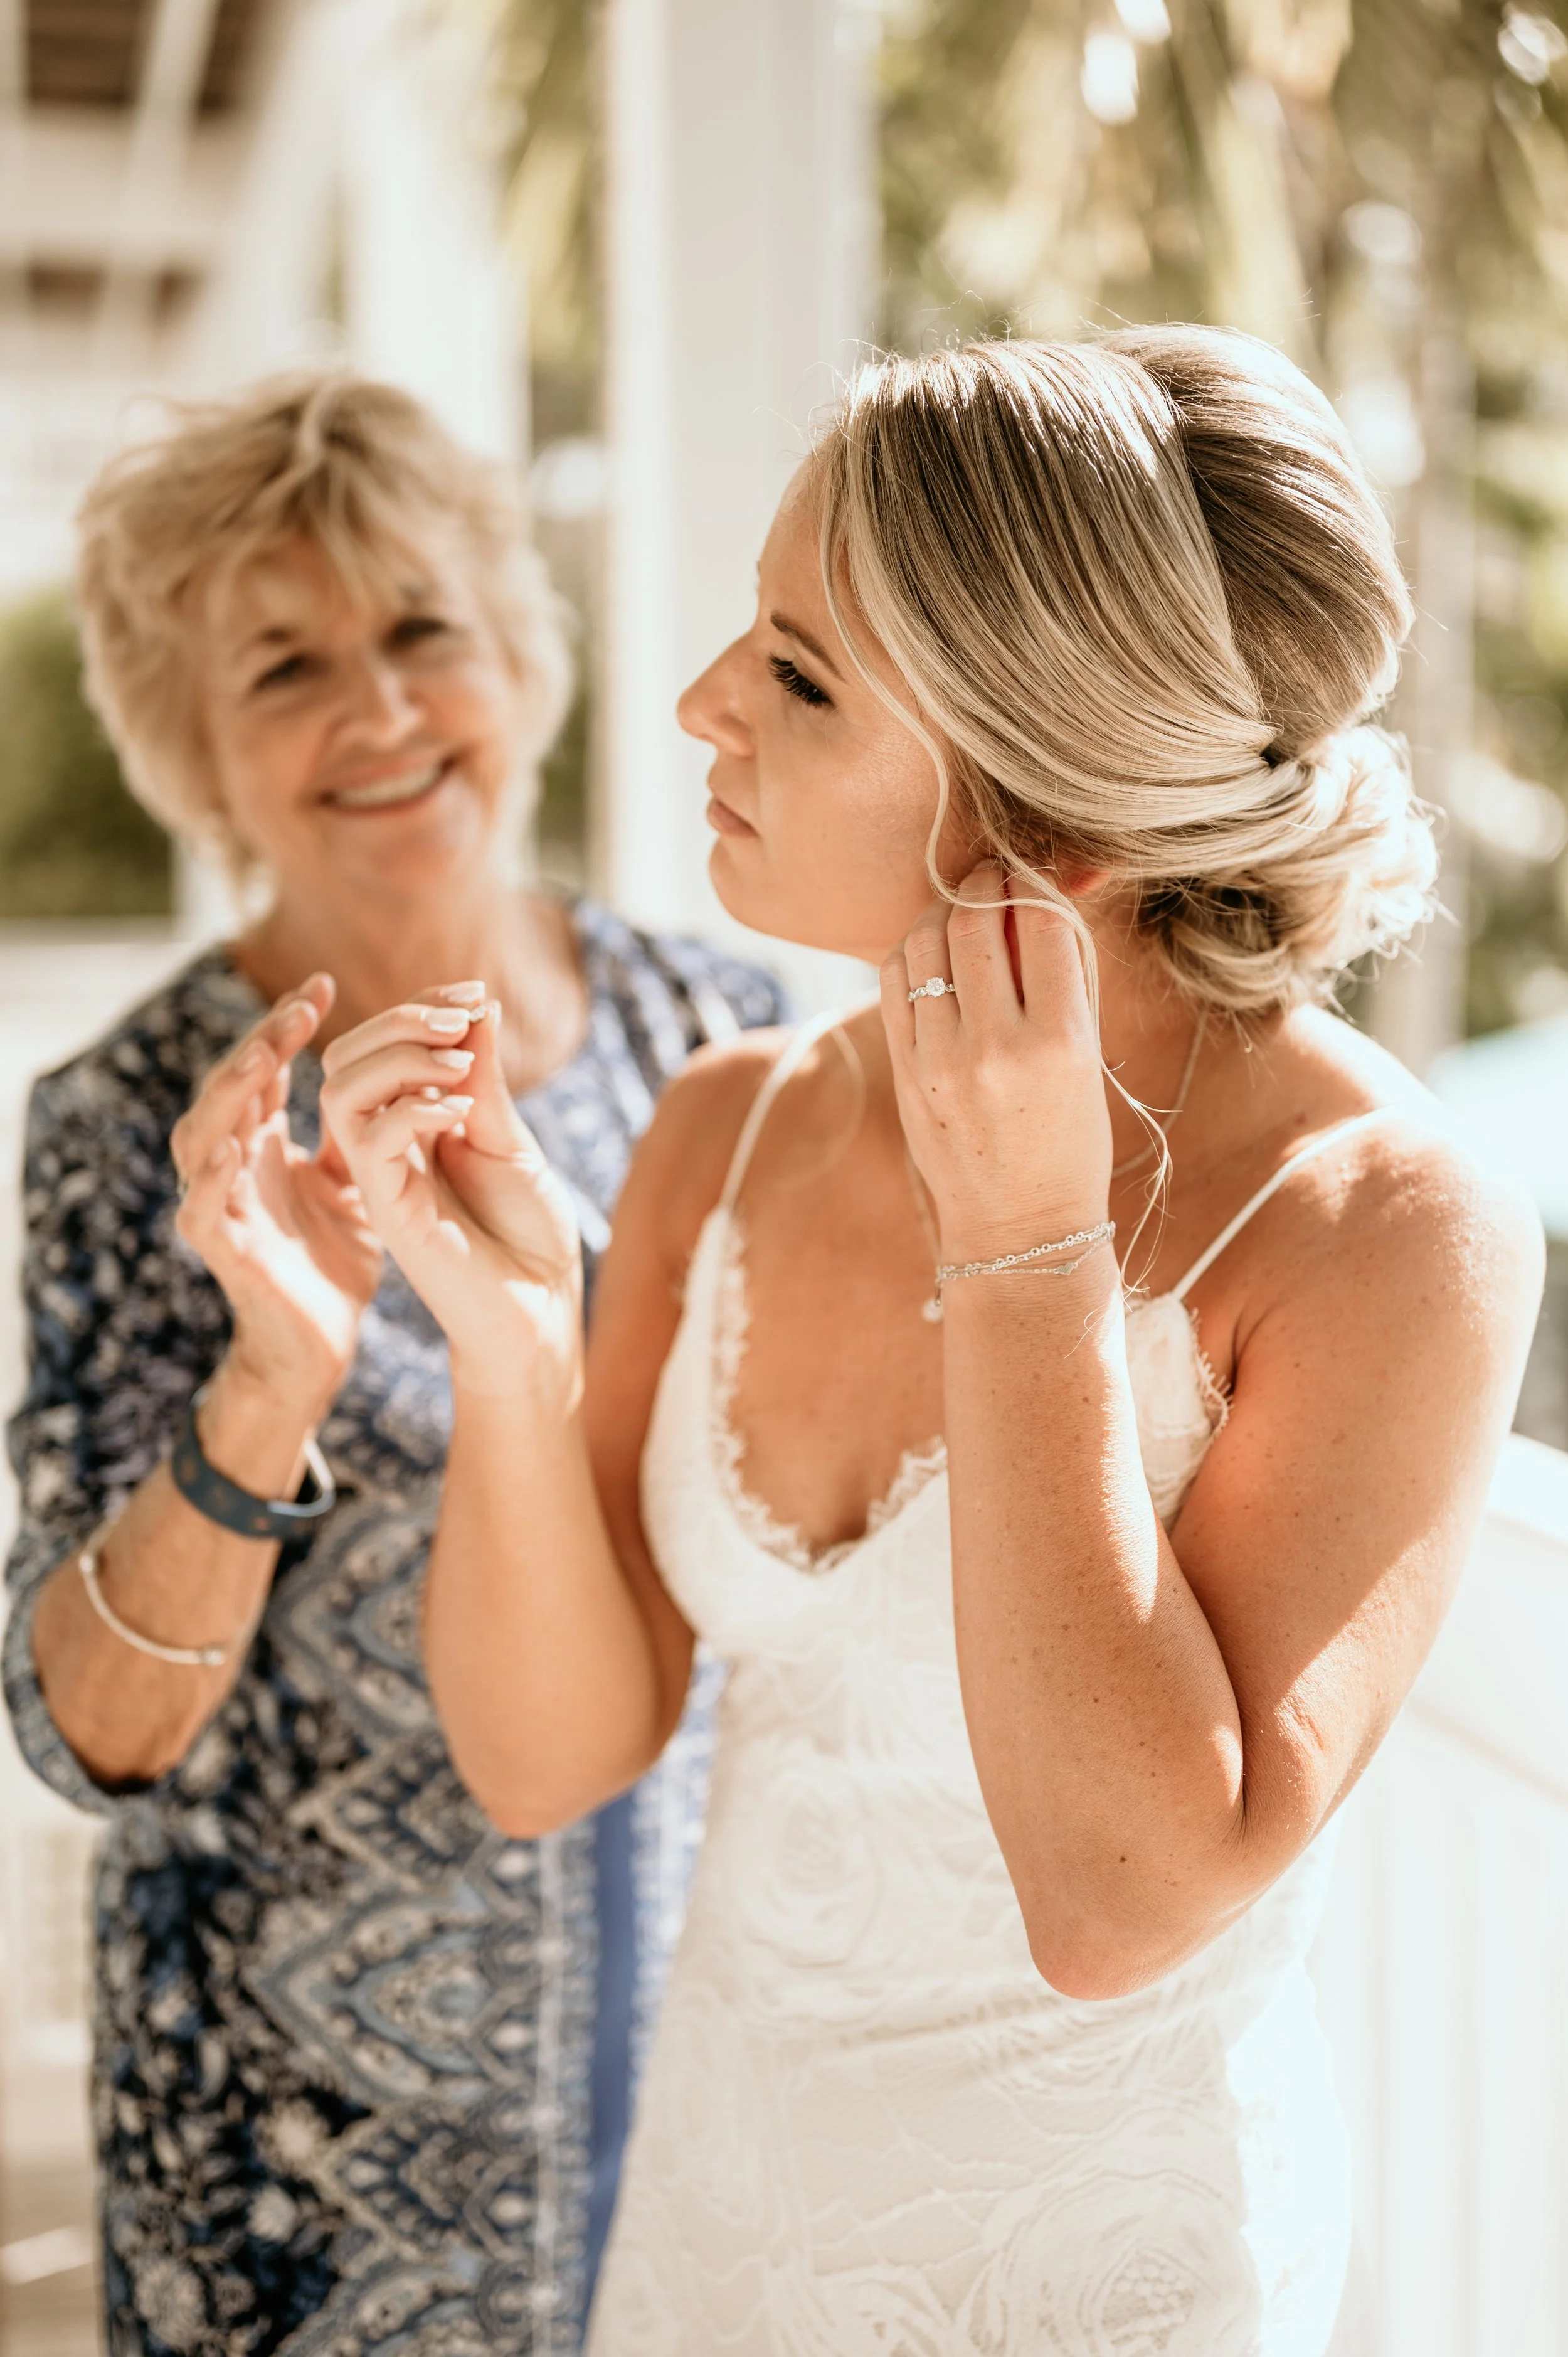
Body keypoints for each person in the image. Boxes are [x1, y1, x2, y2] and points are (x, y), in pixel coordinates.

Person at [315, 331, 1542, 2354]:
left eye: (798, 677)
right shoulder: (726, 1123)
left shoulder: (1390, 1226)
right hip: (716, 2238)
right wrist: (514, 1355)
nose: (706, 694)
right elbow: (544, 1761)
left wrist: (1031, 1242)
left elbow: (1116, 1896)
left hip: (1105, 2292)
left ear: (1049, 824)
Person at [3, 372, 784, 2357]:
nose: (379, 709)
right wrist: (273, 1374)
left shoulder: (726, 1034)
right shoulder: (126, 1124)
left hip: (701, 2075)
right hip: (289, 2156)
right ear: (197, 746)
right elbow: (85, 1729)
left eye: (422, 627)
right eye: (284, 665)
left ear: (516, 654)